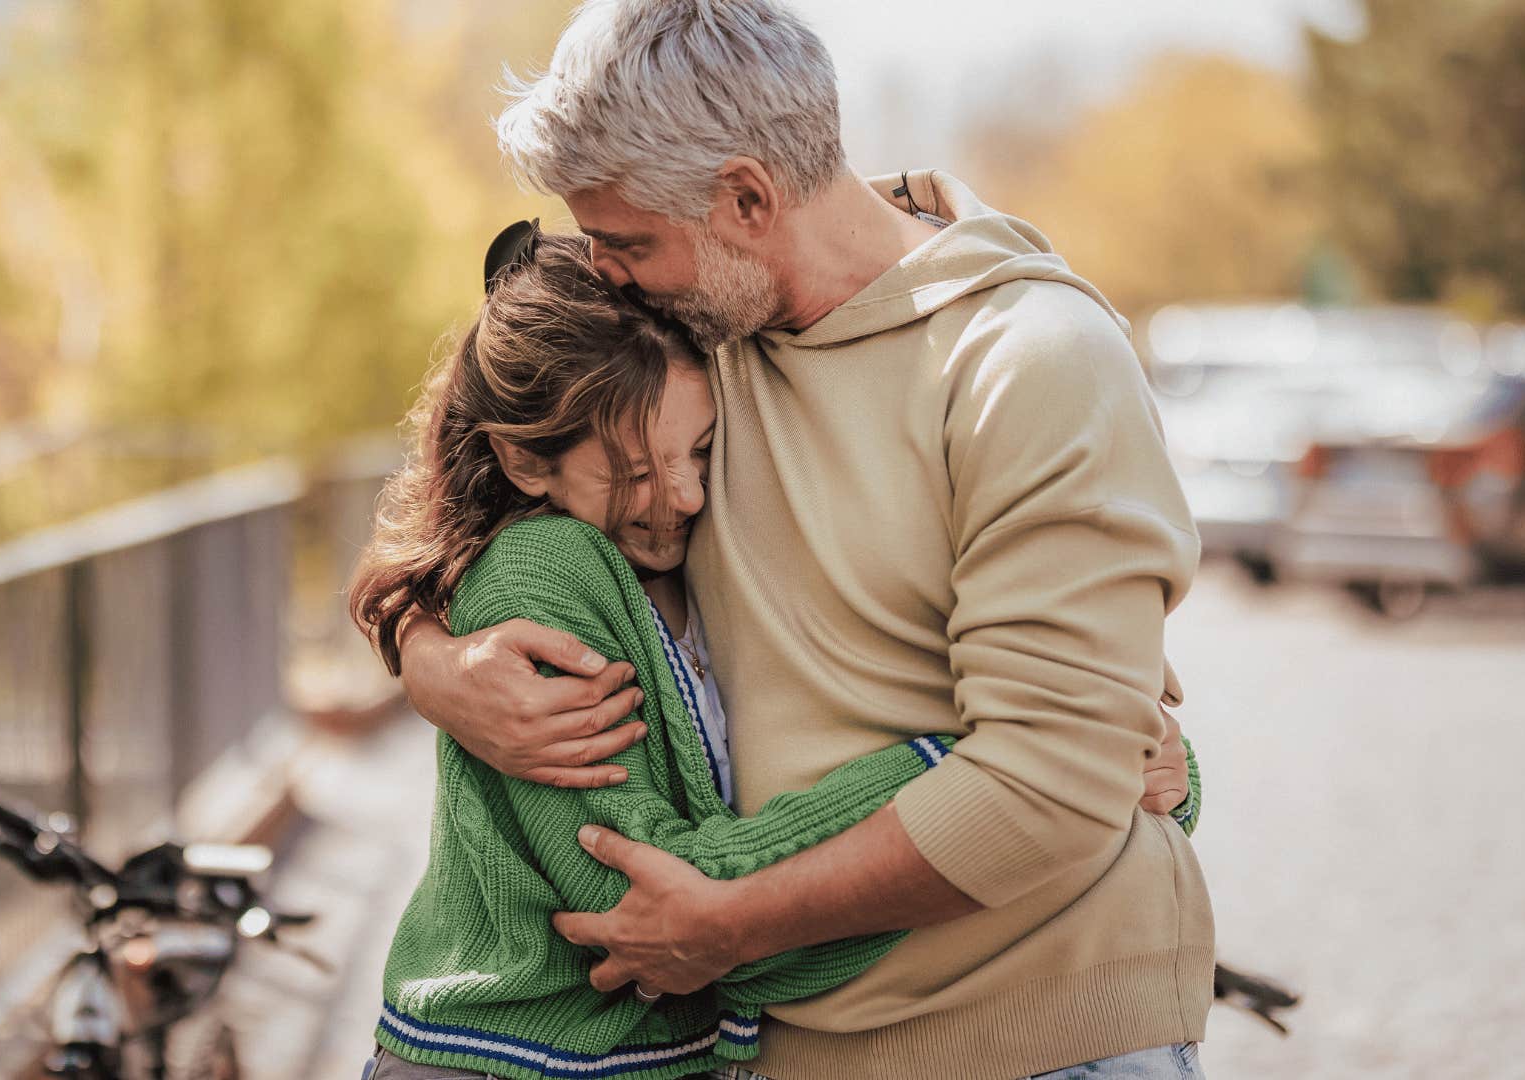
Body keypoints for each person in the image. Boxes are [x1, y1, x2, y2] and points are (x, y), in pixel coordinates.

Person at [392, 3, 1214, 1079]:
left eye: (627, 241)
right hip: (784, 1046)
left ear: (746, 196)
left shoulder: (1029, 361)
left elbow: (1053, 784)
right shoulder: (692, 348)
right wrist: (435, 661)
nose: (605, 274)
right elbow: (476, 493)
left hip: (1038, 1037)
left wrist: (733, 921)